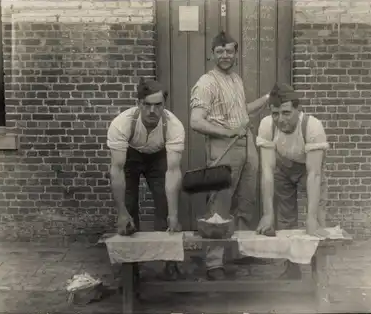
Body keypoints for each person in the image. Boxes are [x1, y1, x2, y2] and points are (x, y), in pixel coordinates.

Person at [189, 31, 271, 280]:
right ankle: (214, 263)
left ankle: (240, 250)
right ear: (212, 54)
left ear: (236, 53)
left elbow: (241, 114)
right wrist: (226, 132)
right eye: (220, 51)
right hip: (223, 147)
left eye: (229, 51)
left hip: (246, 144)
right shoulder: (206, 82)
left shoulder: (235, 79)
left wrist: (267, 99)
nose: (225, 56)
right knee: (220, 204)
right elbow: (196, 121)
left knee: (246, 200)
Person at [107, 78, 185, 287]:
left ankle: (170, 262)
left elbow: (173, 170)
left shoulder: (173, 126)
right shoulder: (122, 124)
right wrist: (121, 211)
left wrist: (174, 215)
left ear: (164, 105)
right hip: (130, 157)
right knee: (130, 208)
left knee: (166, 206)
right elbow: (117, 169)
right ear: (139, 104)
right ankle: (131, 269)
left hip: (158, 157)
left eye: (158, 105)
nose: (152, 110)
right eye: (147, 104)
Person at [255, 83, 329, 279]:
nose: (281, 119)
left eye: (286, 113)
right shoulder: (266, 126)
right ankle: (292, 268)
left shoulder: (313, 126)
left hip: (308, 169)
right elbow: (267, 171)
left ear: (298, 109)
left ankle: (319, 273)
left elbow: (314, 173)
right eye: (276, 113)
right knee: (285, 219)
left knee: (317, 221)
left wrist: (311, 217)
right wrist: (267, 214)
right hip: (283, 167)